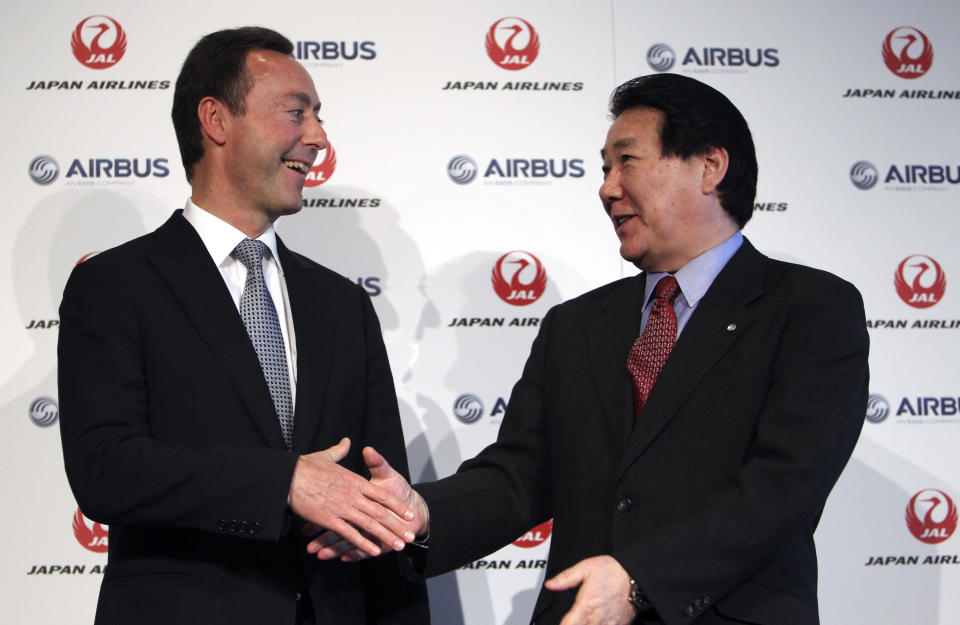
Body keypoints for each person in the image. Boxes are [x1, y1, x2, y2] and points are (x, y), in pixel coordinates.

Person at [312, 73, 869, 625]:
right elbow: (521, 476)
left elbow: (784, 483)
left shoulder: (809, 308)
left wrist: (639, 579)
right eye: (605, 168)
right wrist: (423, 512)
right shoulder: (576, 325)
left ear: (709, 167)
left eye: (628, 161)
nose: (607, 187)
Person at [58, 26, 428, 625]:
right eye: (295, 113)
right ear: (216, 120)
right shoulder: (116, 284)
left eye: (319, 117)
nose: (318, 137)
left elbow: (382, 507)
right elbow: (106, 467)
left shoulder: (342, 305)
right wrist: (283, 482)